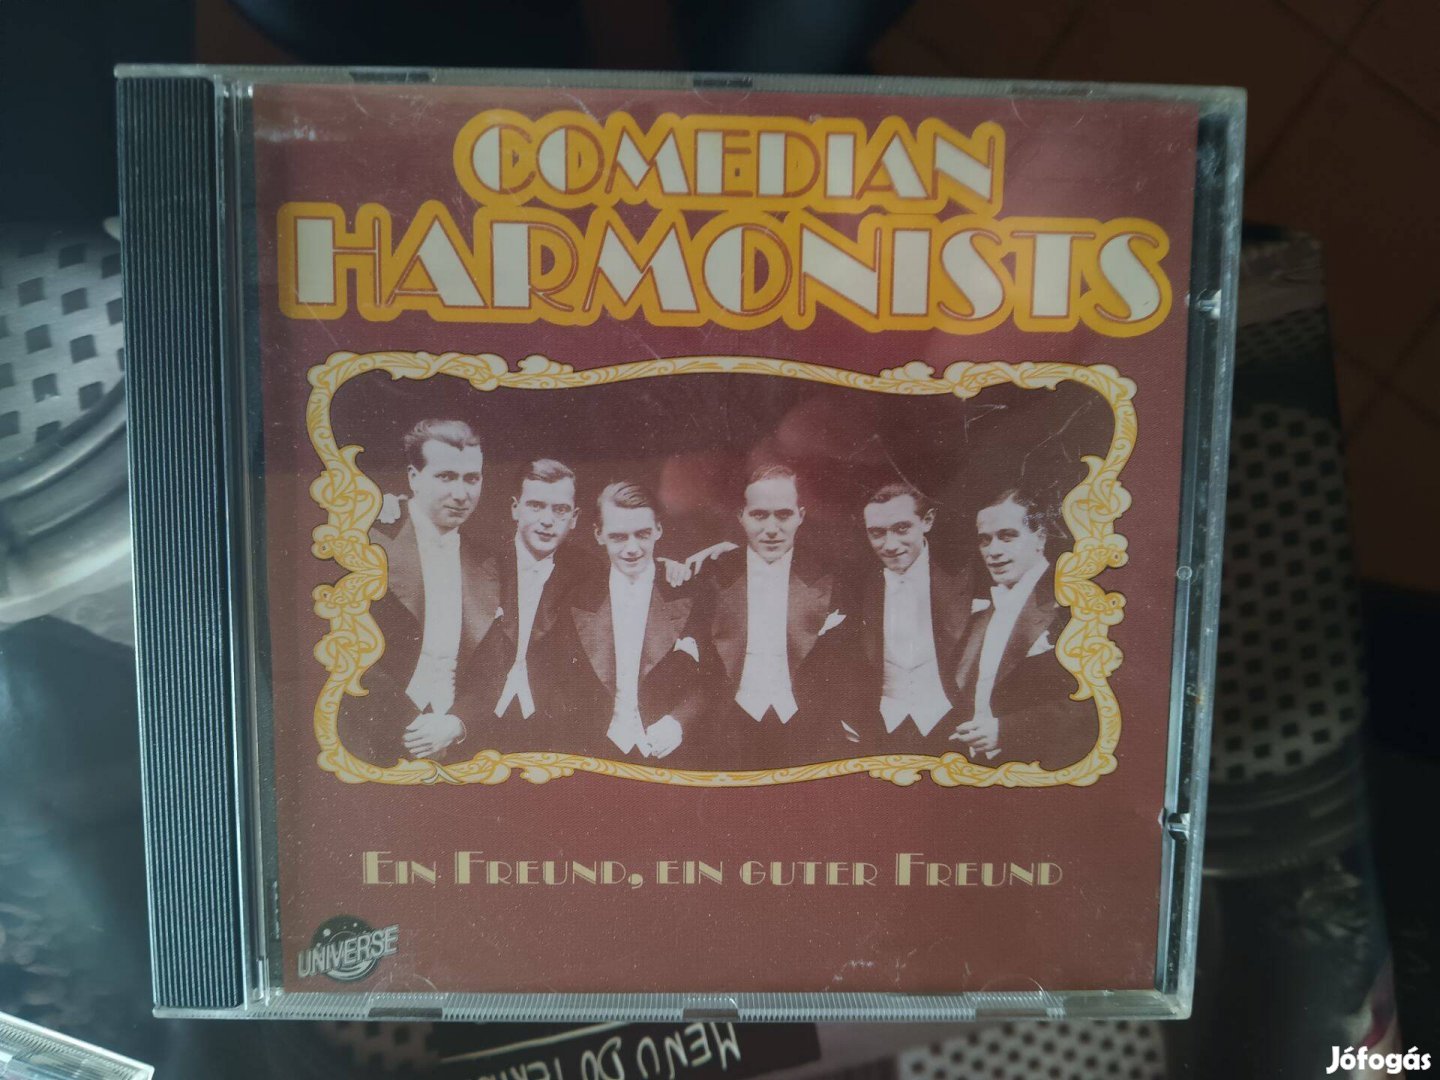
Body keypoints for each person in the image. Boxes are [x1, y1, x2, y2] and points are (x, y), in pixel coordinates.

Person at [339, 419, 501, 765]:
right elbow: (345, 651)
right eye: (446, 477)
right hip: (372, 739)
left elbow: (492, 669)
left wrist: (456, 724)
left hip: (454, 745)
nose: (461, 494)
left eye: (472, 478)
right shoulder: (367, 541)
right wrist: (412, 725)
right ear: (414, 478)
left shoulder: (487, 562)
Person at [700, 464, 850, 767]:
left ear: (800, 516)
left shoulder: (833, 576)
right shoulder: (712, 574)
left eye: (783, 515)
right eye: (759, 515)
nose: (771, 529)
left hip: (808, 730)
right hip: (730, 729)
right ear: (741, 516)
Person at [551, 482, 712, 763]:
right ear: (599, 535)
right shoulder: (575, 599)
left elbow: (716, 679)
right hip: (595, 755)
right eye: (618, 537)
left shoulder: (690, 591)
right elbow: (561, 683)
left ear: (658, 530)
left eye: (642, 534)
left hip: (671, 755)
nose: (632, 548)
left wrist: (678, 722)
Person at [949, 490, 1094, 769]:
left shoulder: (1073, 603)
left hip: (1047, 771)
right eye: (985, 540)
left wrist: (1007, 731)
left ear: (1040, 538)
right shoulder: (981, 615)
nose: (993, 551)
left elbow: (1100, 707)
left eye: (1007, 536)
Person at [846, 482, 973, 753]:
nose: (890, 545)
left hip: (953, 728)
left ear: (927, 521)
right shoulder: (856, 586)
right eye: (877, 533)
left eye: (902, 528)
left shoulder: (967, 577)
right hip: (881, 729)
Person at [470, 459, 589, 746]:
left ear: (574, 518)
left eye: (560, 510)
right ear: (516, 508)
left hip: (551, 729)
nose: (547, 520)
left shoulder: (589, 572)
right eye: (536, 506)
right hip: (475, 719)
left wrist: (673, 570)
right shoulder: (478, 561)